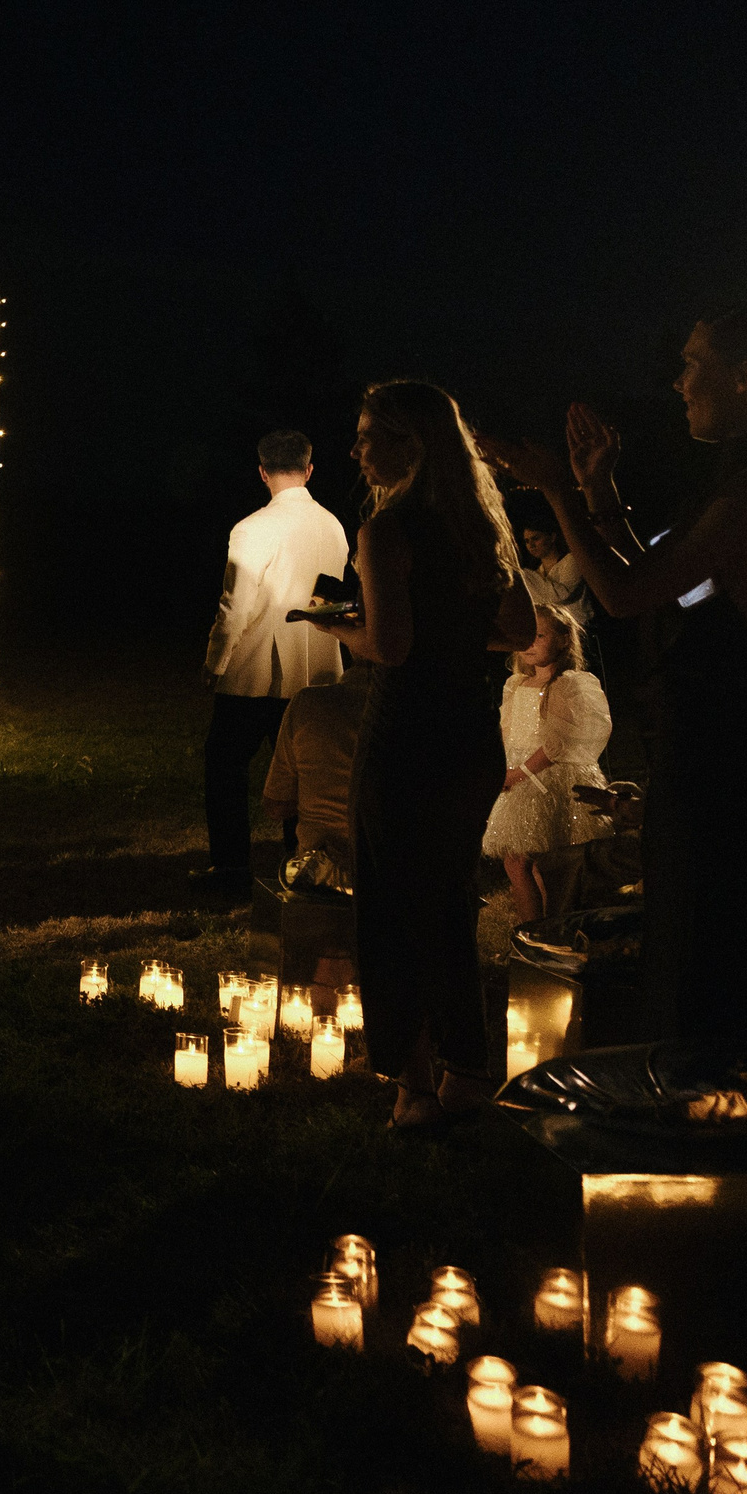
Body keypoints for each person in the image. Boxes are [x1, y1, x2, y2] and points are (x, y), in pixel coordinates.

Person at [484, 303, 747, 1047]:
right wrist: (599, 488)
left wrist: (558, 491)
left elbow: (628, 596)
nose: (678, 382)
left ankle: (731, 1104)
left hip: (733, 746)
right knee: (699, 932)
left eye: (695, 364)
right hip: (720, 735)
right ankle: (719, 1099)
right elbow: (670, 580)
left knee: (717, 944)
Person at [313, 382, 535, 1130]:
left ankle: (411, 1085)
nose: (354, 450)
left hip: (405, 736)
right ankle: (467, 1071)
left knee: (388, 905)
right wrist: (454, 636)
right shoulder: (477, 526)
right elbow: (519, 627)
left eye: (367, 435)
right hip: (470, 734)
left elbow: (390, 646)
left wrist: (337, 626)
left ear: (407, 444)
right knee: (447, 901)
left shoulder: (388, 529)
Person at [197, 430, 349, 889]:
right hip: (318, 673)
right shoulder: (333, 525)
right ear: (309, 469)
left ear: (262, 471)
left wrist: (214, 663)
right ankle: (302, 862)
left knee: (224, 767)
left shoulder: (252, 528)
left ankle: (231, 867)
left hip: (254, 674)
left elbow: (235, 604)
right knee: (306, 772)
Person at [481, 606, 614, 923]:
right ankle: (540, 926)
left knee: (532, 861)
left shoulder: (566, 685)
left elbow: (557, 744)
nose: (530, 642)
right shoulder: (515, 683)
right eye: (525, 634)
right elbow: (506, 730)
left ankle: (542, 927)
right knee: (523, 862)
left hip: (546, 777)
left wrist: (519, 774)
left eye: (539, 635)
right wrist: (499, 765)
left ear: (564, 640)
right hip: (518, 772)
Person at [263, 659, 372, 889]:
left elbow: (276, 804)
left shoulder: (308, 704)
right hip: (395, 881)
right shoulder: (428, 712)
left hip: (320, 878)